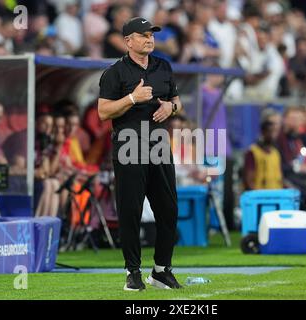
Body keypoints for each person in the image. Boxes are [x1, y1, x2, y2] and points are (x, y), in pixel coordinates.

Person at [98, 17, 183, 291]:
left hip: (158, 145)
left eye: (152, 35)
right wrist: (133, 98)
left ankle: (161, 270)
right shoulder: (115, 72)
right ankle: (132, 272)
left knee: (168, 210)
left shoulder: (163, 66)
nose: (149, 39)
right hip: (128, 146)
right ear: (128, 41)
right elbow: (103, 111)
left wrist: (171, 108)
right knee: (130, 211)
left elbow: (176, 100)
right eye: (143, 35)